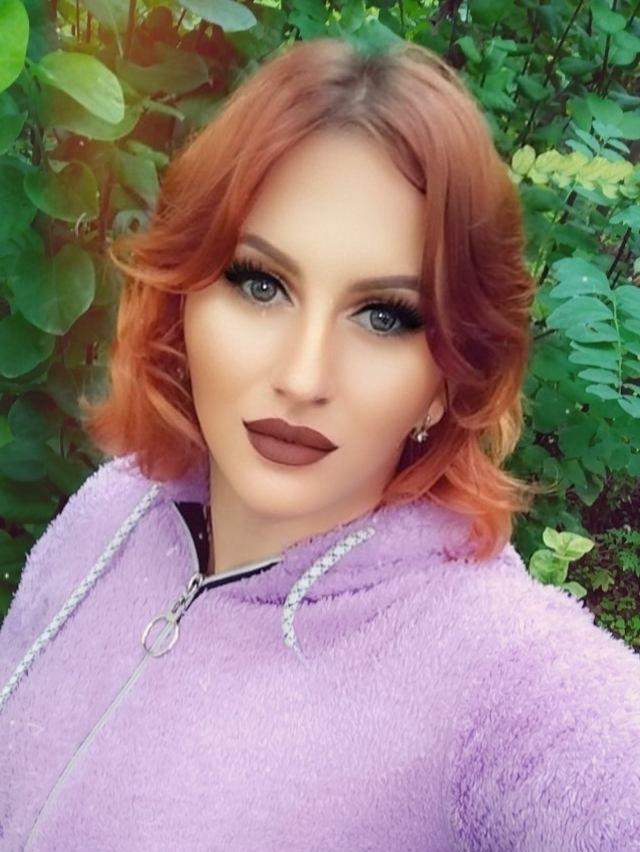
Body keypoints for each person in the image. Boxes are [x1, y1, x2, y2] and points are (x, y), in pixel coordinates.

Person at [1, 36, 639, 852]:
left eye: (385, 317)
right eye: (260, 284)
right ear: (184, 296)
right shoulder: (110, 515)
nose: (304, 377)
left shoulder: (497, 672)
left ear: (448, 375)